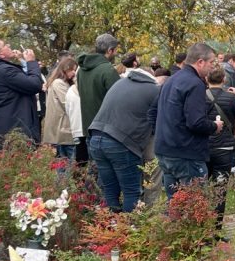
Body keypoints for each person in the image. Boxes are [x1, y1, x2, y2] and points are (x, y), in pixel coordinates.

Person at [149, 42, 224, 198]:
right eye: (211, 62)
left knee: (174, 203)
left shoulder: (171, 80)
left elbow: (152, 112)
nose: (212, 67)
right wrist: (214, 126)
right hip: (186, 154)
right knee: (194, 204)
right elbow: (196, 122)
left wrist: (162, 134)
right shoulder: (195, 83)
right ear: (200, 62)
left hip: (165, 150)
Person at [88, 65, 160, 212]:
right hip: (121, 143)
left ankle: (110, 223)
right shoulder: (154, 90)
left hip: (96, 137)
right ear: (152, 76)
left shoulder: (120, 83)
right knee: (131, 192)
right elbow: (159, 120)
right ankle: (127, 225)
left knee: (110, 189)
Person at [205, 66, 235, 228]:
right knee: (220, 189)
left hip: (204, 146)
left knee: (200, 188)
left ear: (206, 79)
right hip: (224, 147)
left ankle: (201, 226)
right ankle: (216, 228)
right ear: (224, 80)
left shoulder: (199, 97)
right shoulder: (231, 98)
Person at [77, 33, 120, 131]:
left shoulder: (81, 70)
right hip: (106, 129)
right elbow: (119, 100)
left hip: (88, 128)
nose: (116, 53)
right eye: (115, 50)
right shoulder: (108, 70)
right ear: (110, 51)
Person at [42, 56, 78, 161]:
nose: (74, 73)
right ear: (65, 69)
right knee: (69, 161)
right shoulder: (59, 83)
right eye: (72, 70)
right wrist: (76, 81)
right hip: (63, 129)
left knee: (63, 161)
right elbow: (68, 103)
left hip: (61, 129)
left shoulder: (59, 82)